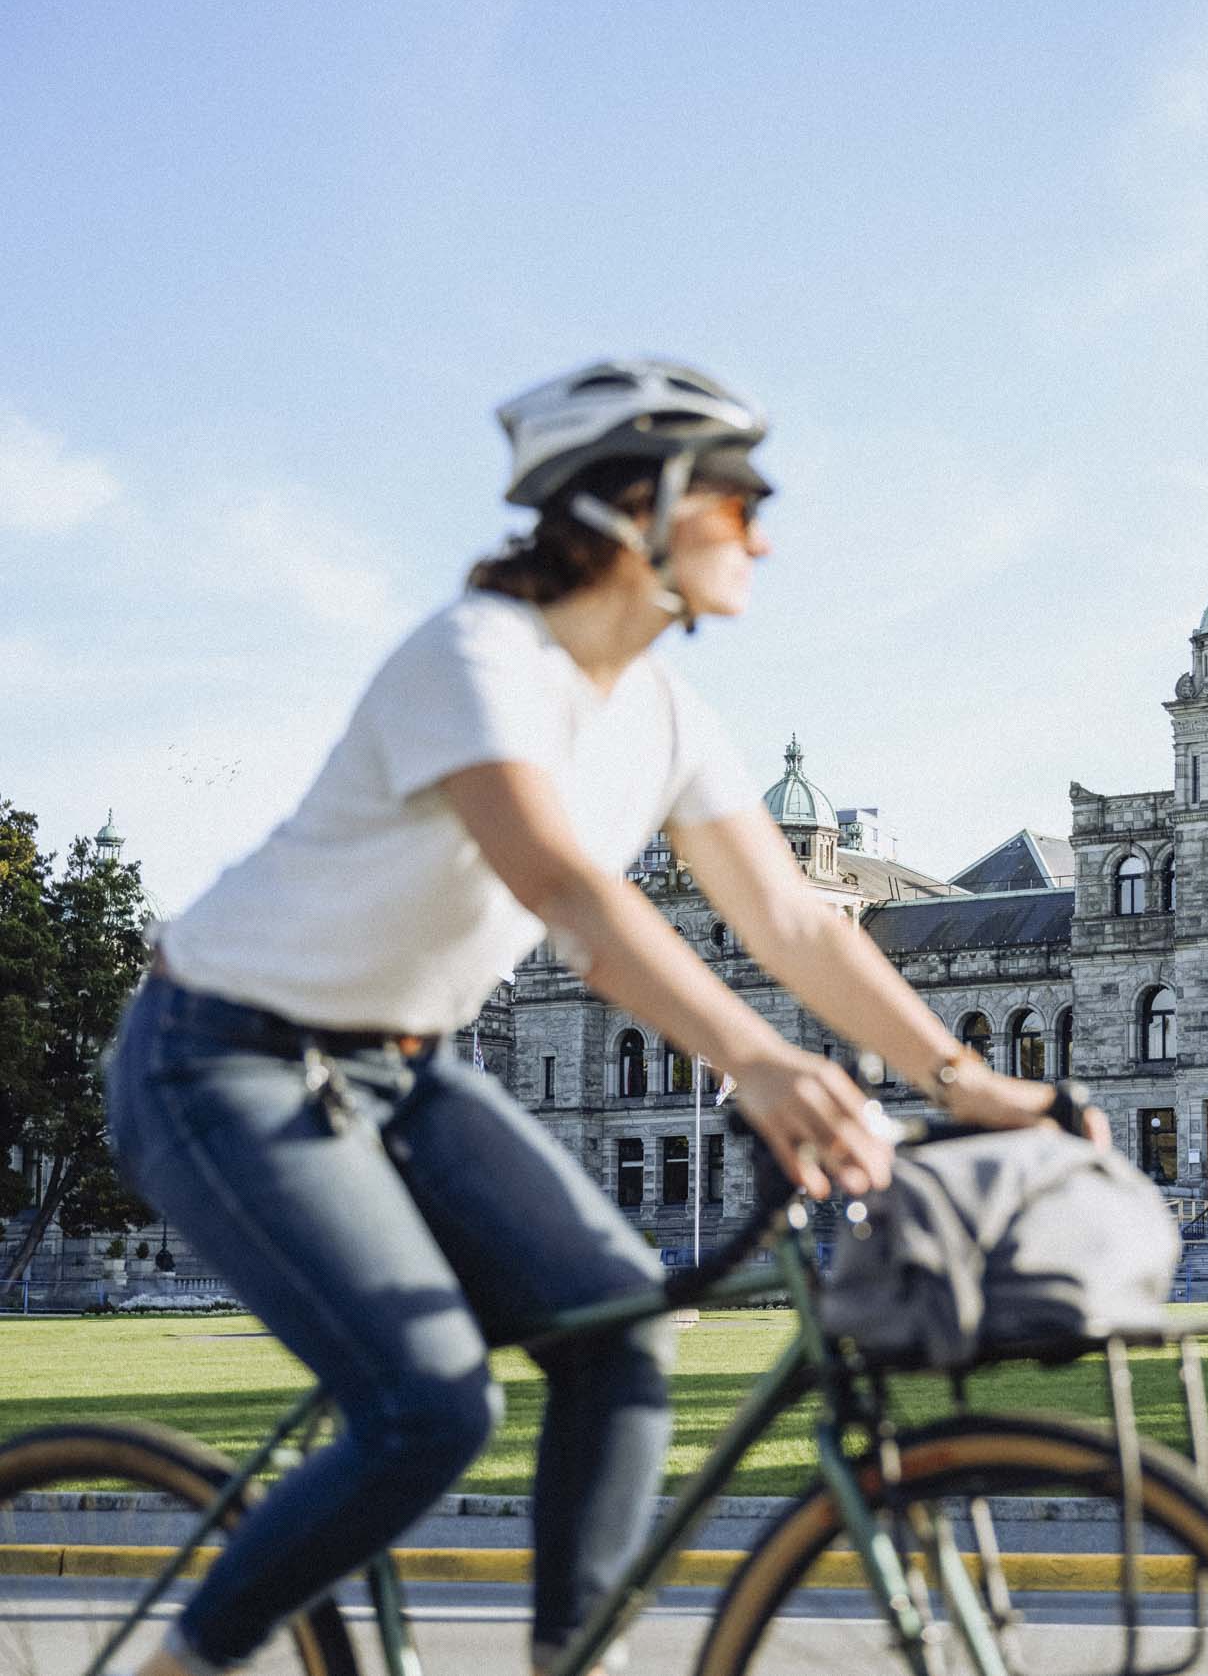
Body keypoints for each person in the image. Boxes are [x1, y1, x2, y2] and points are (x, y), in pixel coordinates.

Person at [105, 359, 1083, 1676]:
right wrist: (758, 1059)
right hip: (221, 1053)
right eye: (740, 504)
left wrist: (972, 1084)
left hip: (398, 1064)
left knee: (622, 1326)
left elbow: (794, 923)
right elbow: (561, 885)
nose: (766, 534)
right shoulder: (475, 659)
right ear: (641, 507)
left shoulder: (670, 715)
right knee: (428, 1409)